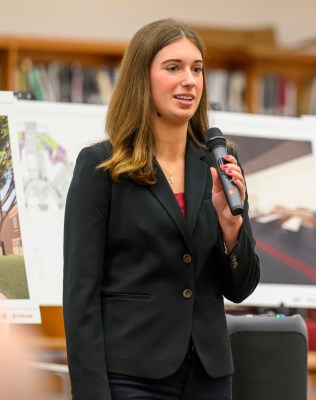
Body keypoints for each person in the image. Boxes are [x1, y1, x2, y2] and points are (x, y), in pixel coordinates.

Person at [63, 18, 260, 400]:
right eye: (174, 68)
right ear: (142, 78)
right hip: (130, 375)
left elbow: (241, 287)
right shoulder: (101, 166)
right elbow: (80, 296)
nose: (190, 80)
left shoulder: (221, 160)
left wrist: (230, 226)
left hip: (210, 375)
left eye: (197, 69)